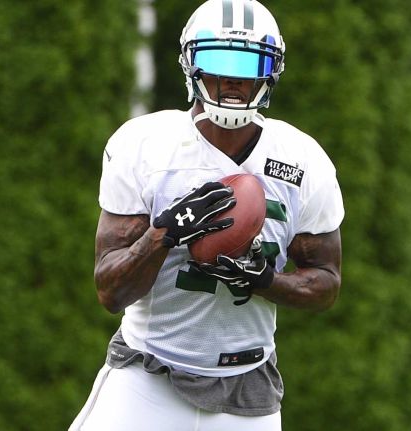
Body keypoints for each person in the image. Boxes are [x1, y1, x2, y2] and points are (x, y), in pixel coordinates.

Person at [69, 0, 343, 429]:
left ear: (271, 72)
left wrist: (266, 281)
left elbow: (326, 282)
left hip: (247, 388)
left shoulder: (304, 160)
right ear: (190, 64)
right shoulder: (145, 146)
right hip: (147, 377)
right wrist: (166, 233)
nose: (234, 77)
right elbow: (110, 291)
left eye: (250, 63)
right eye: (218, 59)